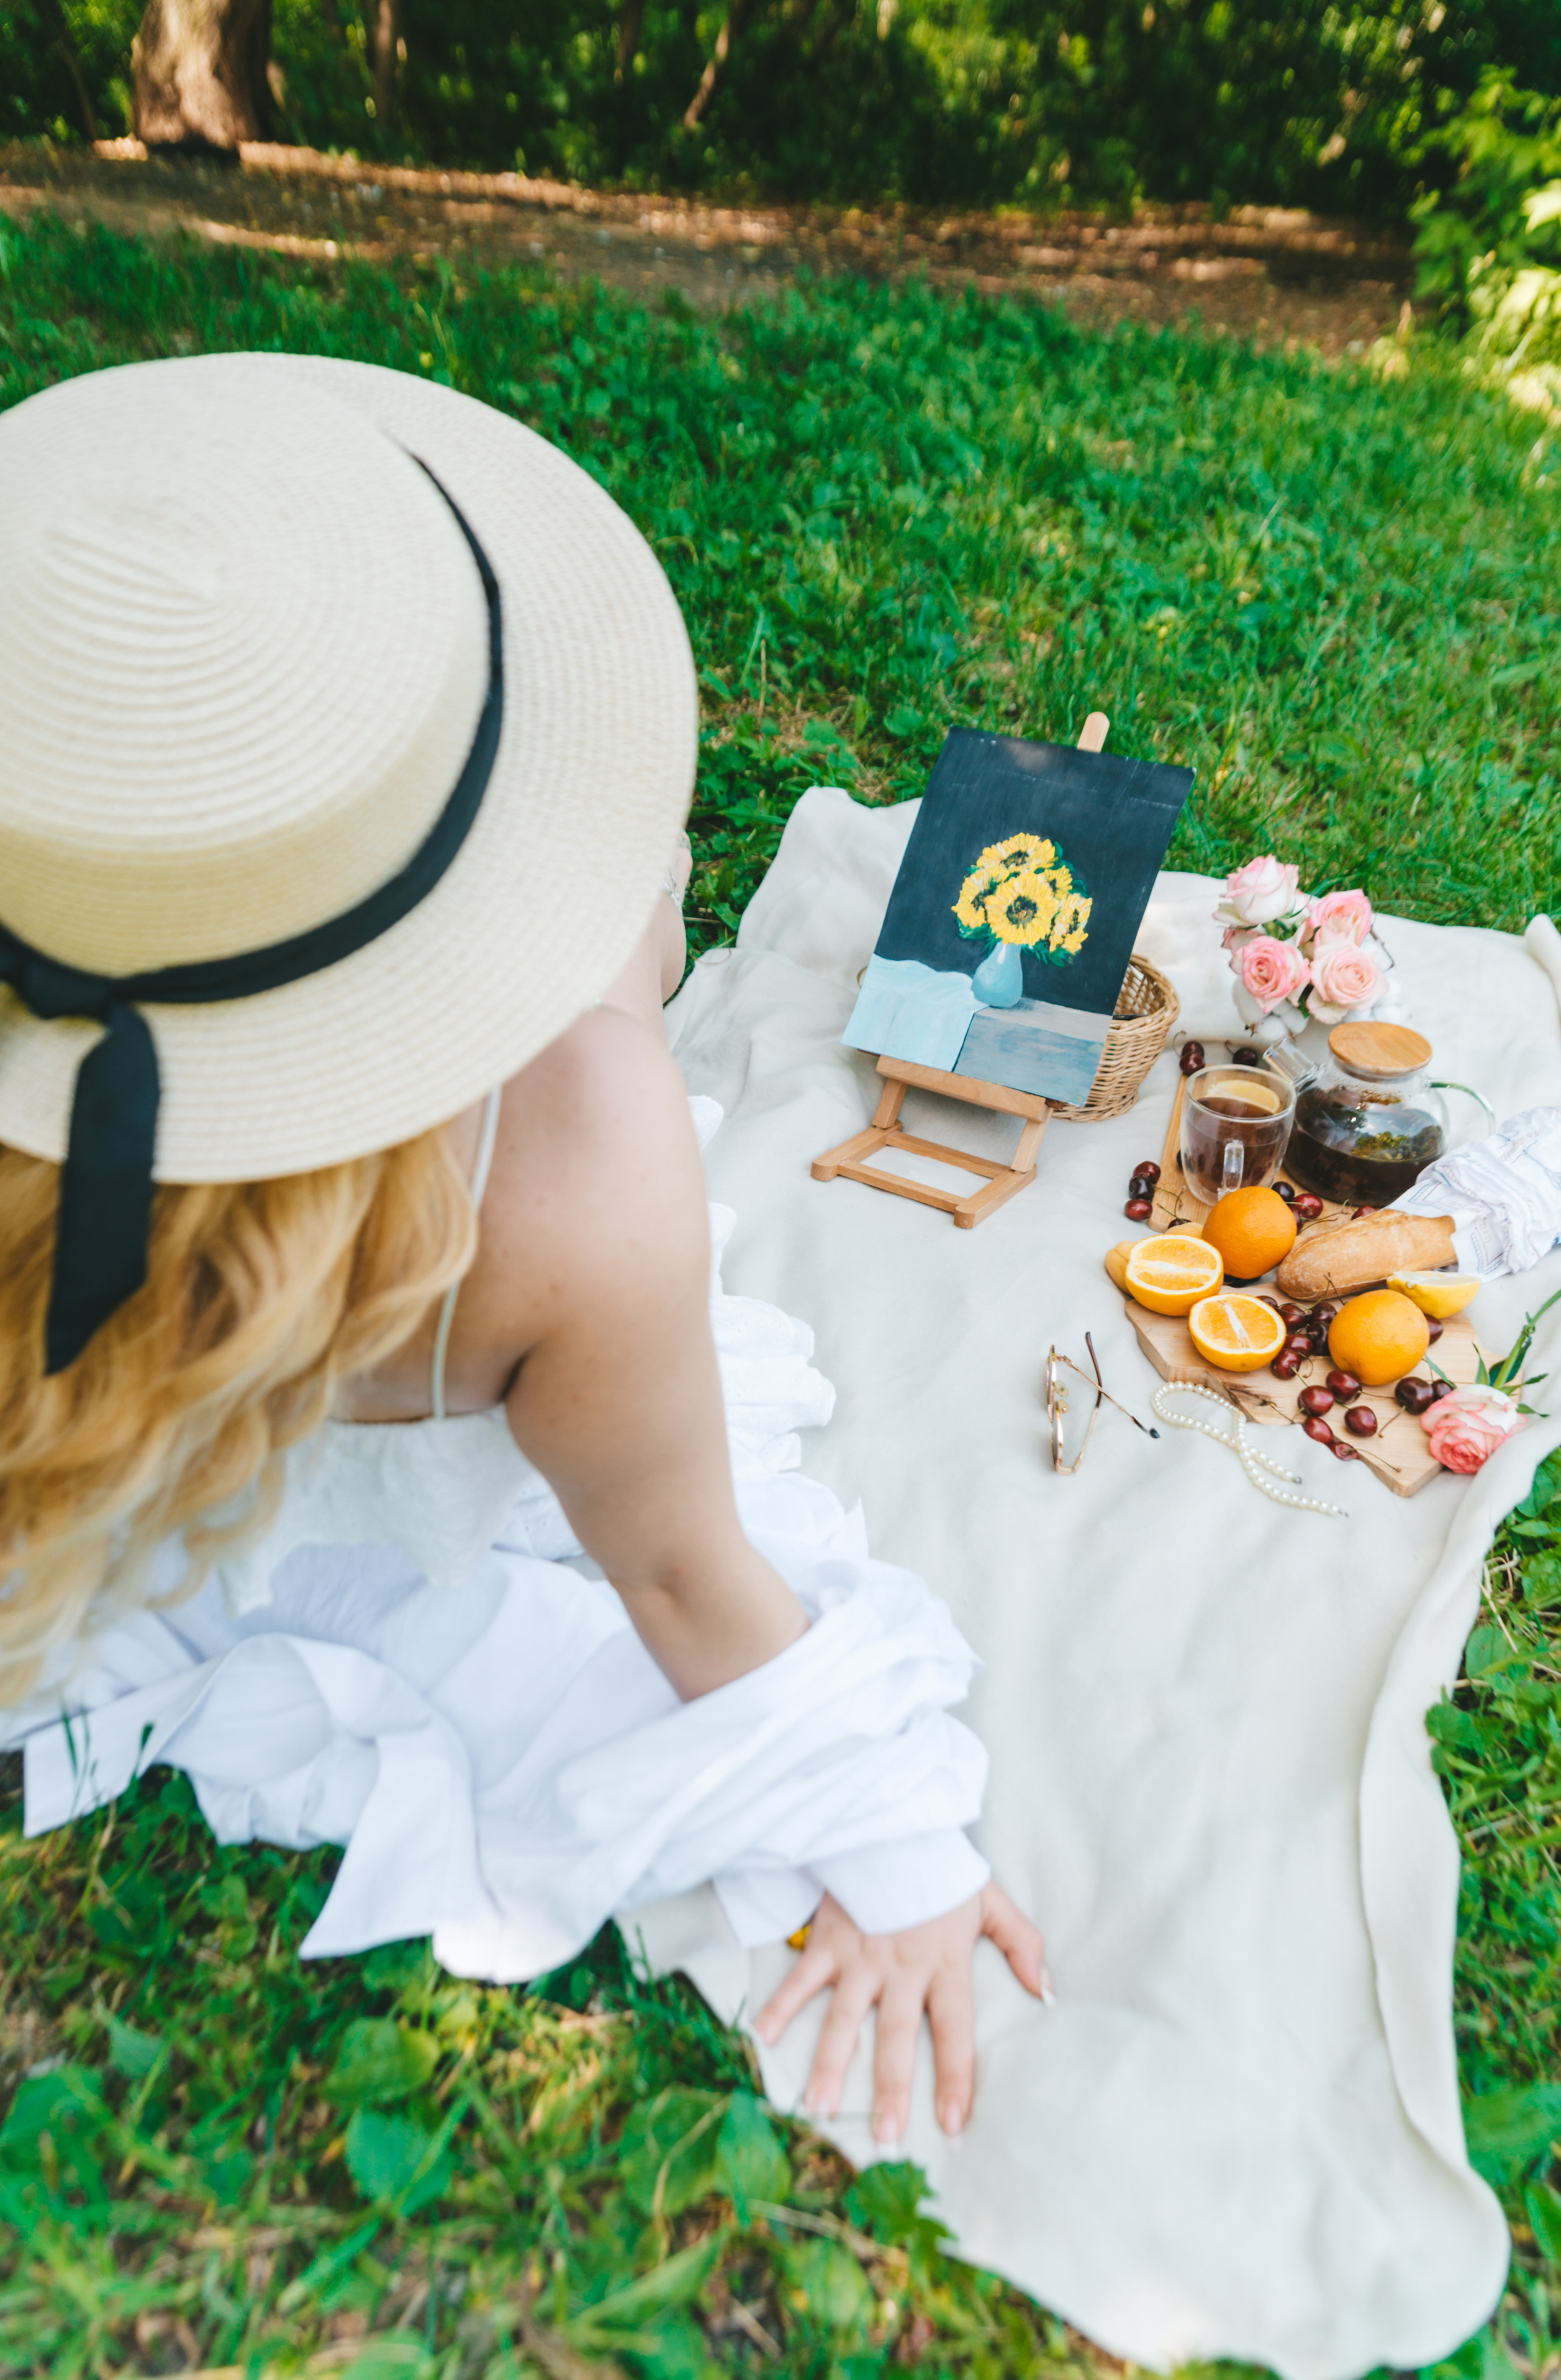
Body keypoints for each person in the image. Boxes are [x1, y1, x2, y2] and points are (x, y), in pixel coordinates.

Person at [0, 353, 1046, 2148]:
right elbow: (684, 1578)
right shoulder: (574, 1146)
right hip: (466, 1328)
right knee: (620, 957)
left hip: (105, 1480)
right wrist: (897, 1843)